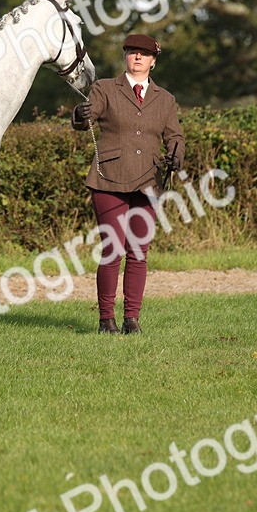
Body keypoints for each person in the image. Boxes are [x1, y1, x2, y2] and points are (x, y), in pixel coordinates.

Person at [71, 33, 185, 334]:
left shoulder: (166, 99)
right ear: (125, 57)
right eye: (132, 52)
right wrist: (80, 116)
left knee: (138, 251)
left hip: (148, 181)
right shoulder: (105, 88)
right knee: (112, 250)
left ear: (153, 61)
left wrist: (176, 157)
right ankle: (105, 319)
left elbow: (175, 136)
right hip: (109, 179)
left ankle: (131, 318)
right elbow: (87, 118)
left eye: (144, 54)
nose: (137, 57)